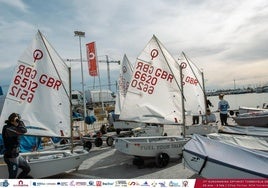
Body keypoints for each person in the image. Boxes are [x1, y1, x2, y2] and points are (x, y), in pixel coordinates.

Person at [2, 113, 32, 178]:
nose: (18, 121)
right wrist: (20, 122)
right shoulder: (8, 129)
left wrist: (18, 122)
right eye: (17, 120)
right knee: (12, 177)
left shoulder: (14, 127)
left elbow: (22, 129)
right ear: (13, 121)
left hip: (17, 155)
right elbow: (23, 130)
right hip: (11, 157)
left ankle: (18, 183)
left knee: (27, 169)